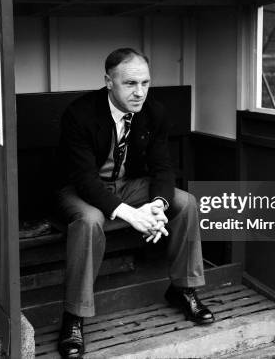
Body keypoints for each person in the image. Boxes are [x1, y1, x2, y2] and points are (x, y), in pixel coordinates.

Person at [56, 48, 214, 358]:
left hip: (128, 186)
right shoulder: (80, 114)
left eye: (145, 82)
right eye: (130, 83)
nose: (139, 92)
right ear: (108, 82)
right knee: (90, 221)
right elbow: (86, 181)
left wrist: (157, 206)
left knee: (186, 202)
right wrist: (131, 214)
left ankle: (182, 289)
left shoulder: (153, 112)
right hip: (78, 188)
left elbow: (163, 168)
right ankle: (74, 316)